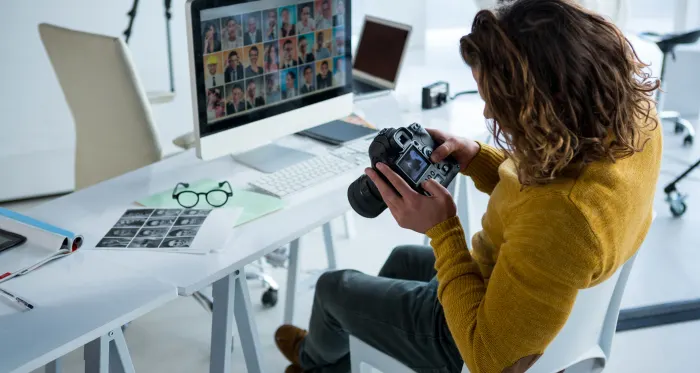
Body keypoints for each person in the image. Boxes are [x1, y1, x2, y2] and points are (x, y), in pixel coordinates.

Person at [274, 1, 663, 373]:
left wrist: (443, 230)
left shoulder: (562, 219)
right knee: (401, 260)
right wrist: (477, 158)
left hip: (471, 339)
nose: (489, 112)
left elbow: (488, 359)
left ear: (551, 97)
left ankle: (314, 361)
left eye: (498, 99)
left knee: (333, 288)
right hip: (526, 290)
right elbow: (543, 196)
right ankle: (341, 353)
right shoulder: (633, 121)